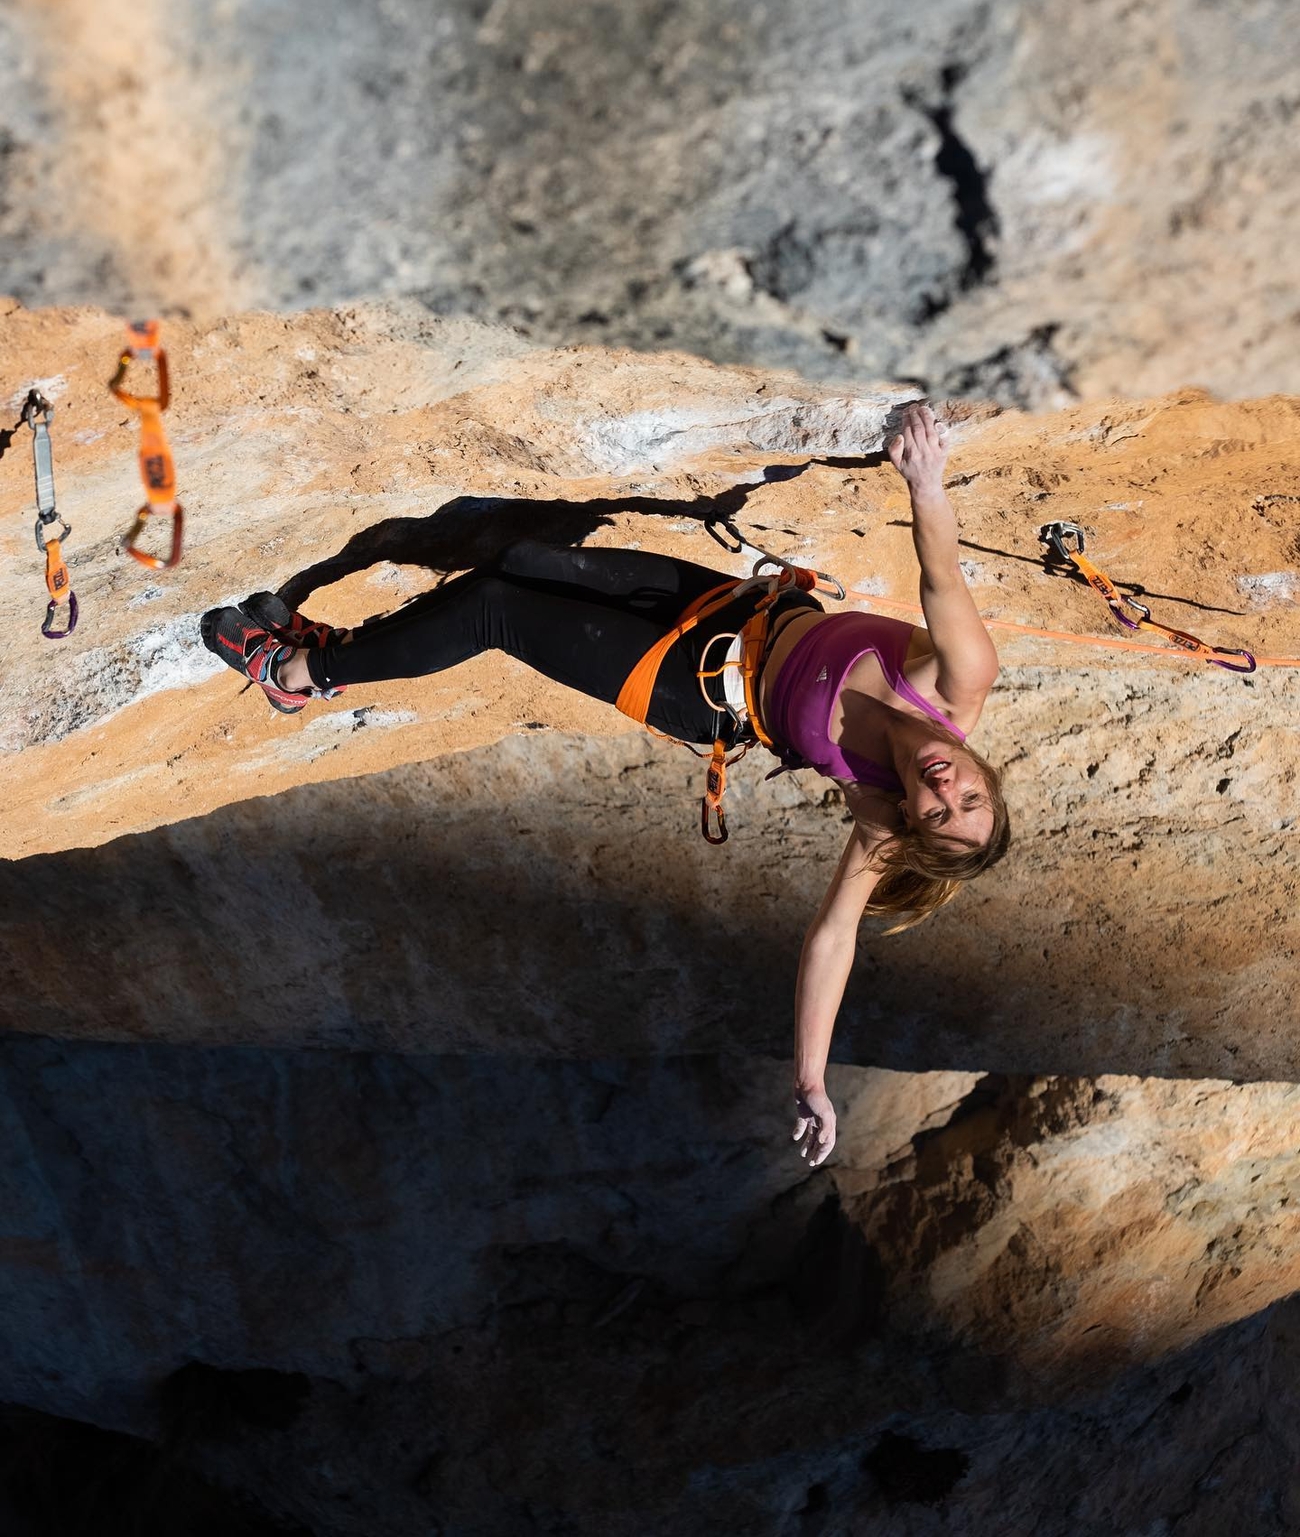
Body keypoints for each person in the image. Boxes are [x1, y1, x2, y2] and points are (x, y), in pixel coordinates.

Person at [201, 401, 1008, 1170]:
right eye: (971, 798)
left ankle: (298, 670)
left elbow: (833, 940)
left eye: (941, 816)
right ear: (986, 777)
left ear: (912, 820)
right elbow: (941, 578)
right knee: (519, 561)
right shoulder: (958, 680)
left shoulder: (876, 806)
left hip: (695, 688)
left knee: (492, 609)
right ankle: (347, 647)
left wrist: (810, 1082)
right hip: (735, 611)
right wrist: (926, 481)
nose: (948, 792)